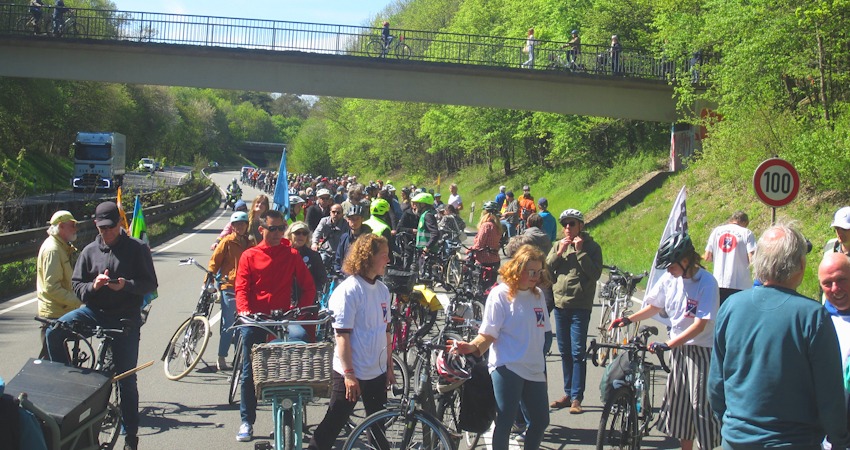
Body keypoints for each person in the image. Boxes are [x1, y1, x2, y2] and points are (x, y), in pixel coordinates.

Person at [708, 223, 850, 449]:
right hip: (795, 441)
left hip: (736, 440)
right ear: (801, 266)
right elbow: (829, 395)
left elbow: (716, 384)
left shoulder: (730, 307)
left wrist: (734, 425)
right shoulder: (812, 316)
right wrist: (839, 440)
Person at [46, 201, 158, 450]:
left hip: (125, 317)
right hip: (94, 311)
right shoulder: (88, 251)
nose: (106, 233)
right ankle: (66, 382)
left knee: (126, 379)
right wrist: (93, 286)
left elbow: (150, 284)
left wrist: (126, 285)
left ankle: (131, 436)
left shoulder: (137, 249)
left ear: (119, 224)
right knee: (55, 331)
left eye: (110, 228)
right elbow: (78, 287)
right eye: (101, 229)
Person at [611, 232, 720, 449]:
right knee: (680, 405)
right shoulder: (671, 279)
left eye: (671, 265)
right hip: (678, 349)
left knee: (700, 406)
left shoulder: (706, 282)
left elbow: (700, 325)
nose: (668, 270)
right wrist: (628, 319)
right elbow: (654, 306)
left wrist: (667, 345)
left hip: (701, 351)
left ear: (686, 260)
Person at [454, 245, 552, 450]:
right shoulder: (500, 294)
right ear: (518, 269)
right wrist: (472, 346)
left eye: (539, 272)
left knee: (540, 420)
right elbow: (489, 333)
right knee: (506, 420)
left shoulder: (538, 296)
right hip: (507, 365)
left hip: (534, 367)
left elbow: (545, 332)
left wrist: (540, 357)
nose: (535, 277)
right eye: (531, 272)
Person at [234, 209, 317, 442]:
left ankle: (292, 416)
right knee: (250, 371)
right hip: (256, 320)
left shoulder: (291, 255)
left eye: (282, 229)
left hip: (283, 320)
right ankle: (246, 421)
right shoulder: (249, 255)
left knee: (295, 360)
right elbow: (241, 288)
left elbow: (308, 286)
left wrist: (300, 311)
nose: (278, 233)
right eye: (273, 229)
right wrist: (244, 311)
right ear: (261, 229)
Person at [308, 234, 394, 450]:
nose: (388, 260)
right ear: (368, 257)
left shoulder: (383, 290)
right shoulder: (349, 290)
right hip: (352, 373)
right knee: (332, 425)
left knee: (378, 430)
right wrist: (348, 374)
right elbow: (342, 336)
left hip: (377, 372)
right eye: (384, 255)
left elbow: (386, 332)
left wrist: (389, 367)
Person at [547, 209, 602, 414]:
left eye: (572, 223)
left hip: (580, 306)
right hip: (561, 305)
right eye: (565, 224)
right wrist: (559, 253)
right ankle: (568, 393)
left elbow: (595, 274)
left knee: (578, 352)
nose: (567, 228)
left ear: (581, 225)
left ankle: (577, 398)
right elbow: (545, 269)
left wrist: (580, 252)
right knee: (565, 352)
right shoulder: (557, 245)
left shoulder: (592, 248)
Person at [208, 211, 253, 371]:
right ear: (232, 227)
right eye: (236, 224)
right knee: (229, 324)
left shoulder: (250, 243)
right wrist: (209, 279)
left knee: (244, 324)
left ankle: (239, 357)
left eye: (242, 224)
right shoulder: (227, 242)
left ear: (247, 225)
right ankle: (221, 356)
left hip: (247, 288)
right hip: (229, 286)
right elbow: (214, 262)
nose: (239, 227)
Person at [36, 210, 82, 358]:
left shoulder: (62, 247)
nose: (75, 229)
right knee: (56, 365)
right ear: (61, 226)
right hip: (54, 314)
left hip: (60, 311)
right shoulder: (53, 250)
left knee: (54, 362)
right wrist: (76, 300)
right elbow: (52, 287)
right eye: (72, 225)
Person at [819, 252, 850, 450]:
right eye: (827, 283)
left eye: (842, 280)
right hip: (827, 434)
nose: (835, 288)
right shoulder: (816, 321)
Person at [703, 211, 756, 305]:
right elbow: (751, 258)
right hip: (740, 284)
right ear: (744, 223)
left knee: (720, 314)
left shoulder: (716, 231)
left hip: (719, 282)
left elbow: (707, 257)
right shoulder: (746, 233)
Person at [287, 221, 327, 304]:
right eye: (297, 233)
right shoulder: (283, 254)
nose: (301, 236)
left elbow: (322, 279)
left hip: (307, 302)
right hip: (285, 301)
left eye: (304, 233)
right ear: (290, 235)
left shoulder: (314, 255)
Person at [334, 204, 373, 273]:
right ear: (347, 220)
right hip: (346, 276)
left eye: (357, 219)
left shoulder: (369, 238)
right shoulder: (344, 237)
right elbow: (338, 258)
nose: (354, 222)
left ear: (362, 219)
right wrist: (339, 271)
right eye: (351, 219)